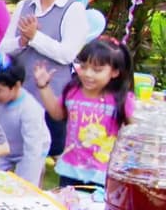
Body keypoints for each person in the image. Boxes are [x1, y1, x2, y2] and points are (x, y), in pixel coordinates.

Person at [0, 0, 90, 157]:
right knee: (17, 151)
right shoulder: (24, 6)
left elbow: (67, 54)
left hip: (53, 95)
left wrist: (35, 37)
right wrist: (22, 41)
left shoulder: (73, 9)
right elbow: (4, 48)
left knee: (46, 152)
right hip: (21, 91)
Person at [35, 37, 134, 187]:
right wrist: (43, 87)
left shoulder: (121, 100)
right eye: (83, 66)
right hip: (71, 169)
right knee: (67, 202)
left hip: (103, 173)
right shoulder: (73, 92)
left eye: (97, 70)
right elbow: (57, 113)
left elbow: (134, 132)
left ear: (114, 72)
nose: (88, 74)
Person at [0, 46, 49, 186]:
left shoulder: (30, 109)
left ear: (16, 86)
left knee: (25, 185)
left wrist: (28, 182)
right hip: (5, 148)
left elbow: (33, 149)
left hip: (31, 149)